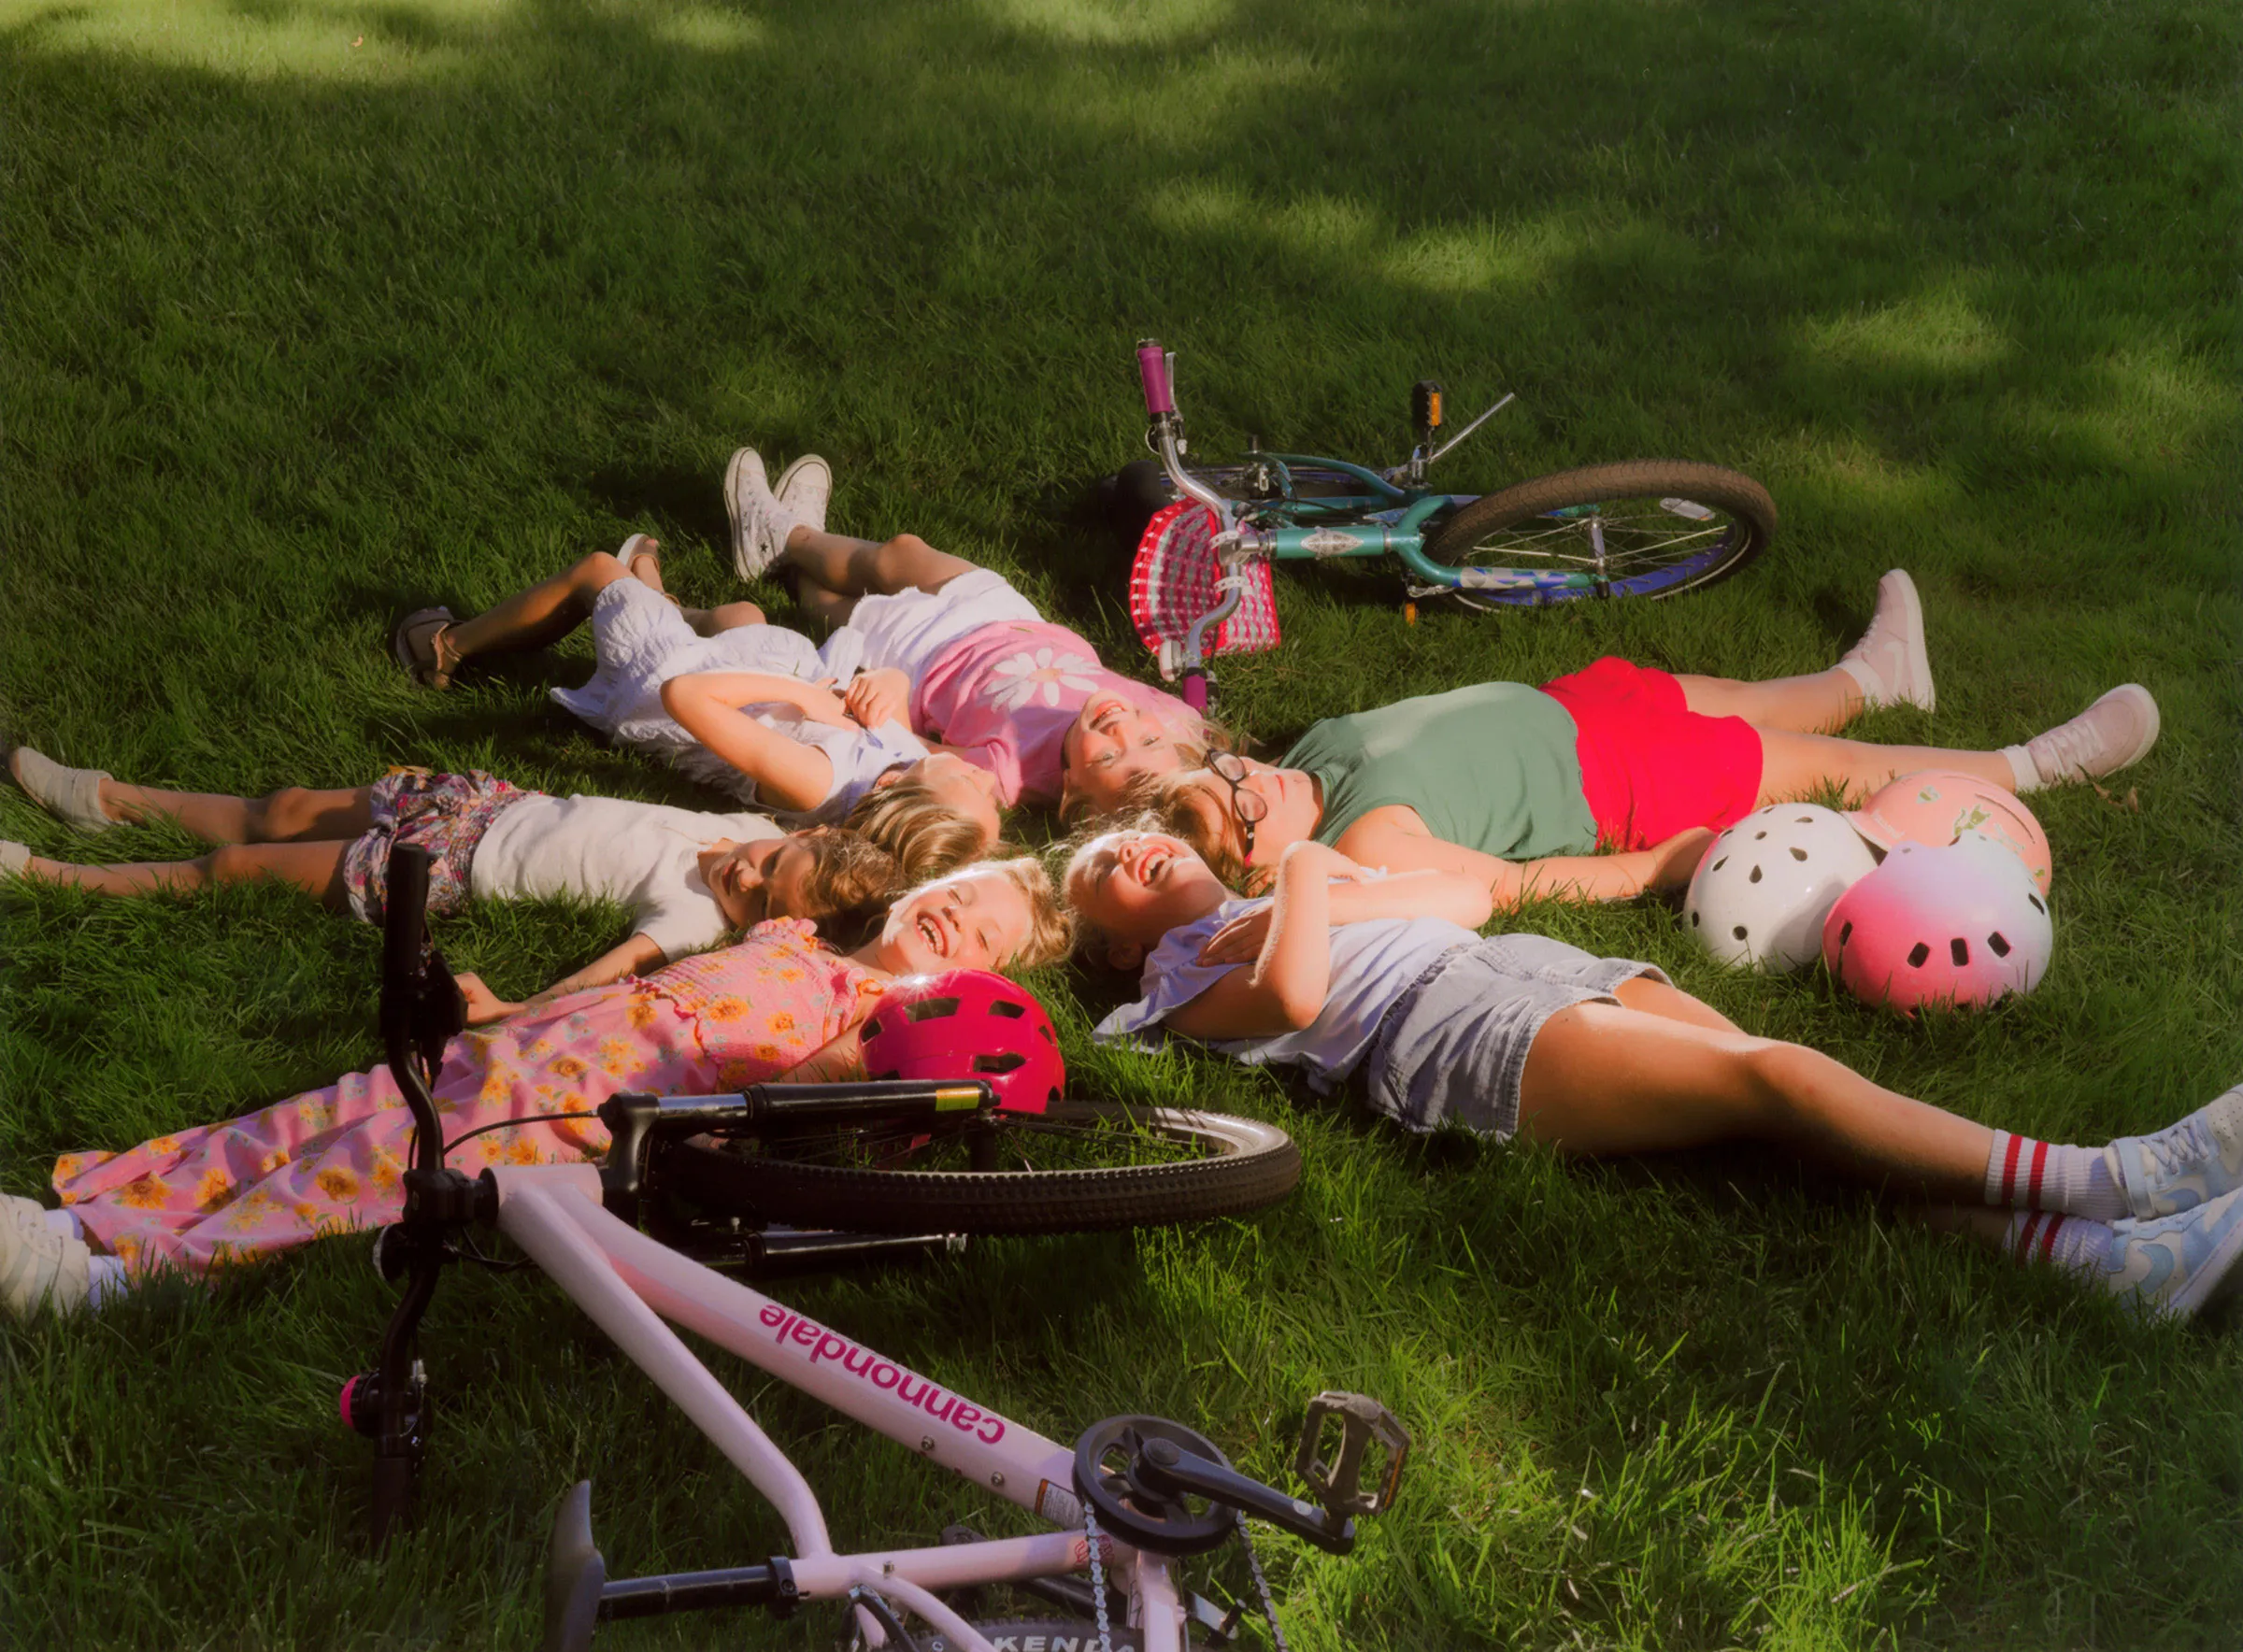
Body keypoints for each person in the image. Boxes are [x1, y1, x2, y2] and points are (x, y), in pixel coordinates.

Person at [1060, 824, 2243, 1320]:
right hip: (1436, 1028)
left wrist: (1314, 885)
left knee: (1789, 1102)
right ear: (1116, 944)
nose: (1130, 843)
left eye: (1126, 832)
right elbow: (1301, 997)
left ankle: (2104, 1265)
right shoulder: (1175, 980)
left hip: (1505, 956)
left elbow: (1465, 895)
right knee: (1774, 1077)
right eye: (1105, 866)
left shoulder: (1268, 898)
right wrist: (1317, 870)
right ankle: (2117, 1177)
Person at [0, 858, 1075, 1317]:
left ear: (978, 984)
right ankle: (101, 1216)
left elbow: (824, 1113)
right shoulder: (796, 932)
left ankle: (138, 1280)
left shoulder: (871, 1028)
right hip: (522, 1048)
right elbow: (647, 973)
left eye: (984, 936)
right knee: (324, 1112)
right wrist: (514, 1007)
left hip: (566, 1121)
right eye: (958, 894)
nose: (955, 918)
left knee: (367, 1170)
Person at [1108, 572, 2161, 894]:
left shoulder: (1288, 774)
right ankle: (2038, 765)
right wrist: (1658, 868)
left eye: (1228, 766)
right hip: (1623, 787)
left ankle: (1873, 675)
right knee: (1830, 771)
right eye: (1242, 803)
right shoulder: (1364, 847)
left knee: (1746, 694)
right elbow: (1512, 888)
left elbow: (1172, 743)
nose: (1251, 773)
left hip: (1566, 706)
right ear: (1261, 867)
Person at [2, 748, 901, 1017]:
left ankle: (54, 878)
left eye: (757, 897)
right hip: (474, 804)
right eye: (769, 864)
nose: (742, 873)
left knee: (236, 870)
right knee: (278, 807)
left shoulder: (697, 917)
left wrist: (514, 1008)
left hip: (443, 870)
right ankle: (113, 799)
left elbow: (617, 972)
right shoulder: (758, 831)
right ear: (801, 836)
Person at [391, 534, 1002, 873]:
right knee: (743, 615)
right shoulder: (905, 760)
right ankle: (661, 600)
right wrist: (891, 680)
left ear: (922, 802)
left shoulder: (820, 781)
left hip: (663, 682)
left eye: (979, 790)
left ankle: (447, 648)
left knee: (596, 571)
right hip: (763, 662)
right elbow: (887, 692)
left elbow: (685, 697)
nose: (989, 780)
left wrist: (801, 695)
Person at [723, 449, 1212, 816]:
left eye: (1107, 756)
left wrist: (892, 699)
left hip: (927, 653)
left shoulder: (1010, 776)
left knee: (836, 608)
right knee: (900, 551)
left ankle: (780, 546)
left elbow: (915, 752)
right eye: (1147, 743)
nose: (1122, 729)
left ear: (1073, 795)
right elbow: (1235, 766)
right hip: (1007, 617)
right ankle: (793, 536)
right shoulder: (1178, 731)